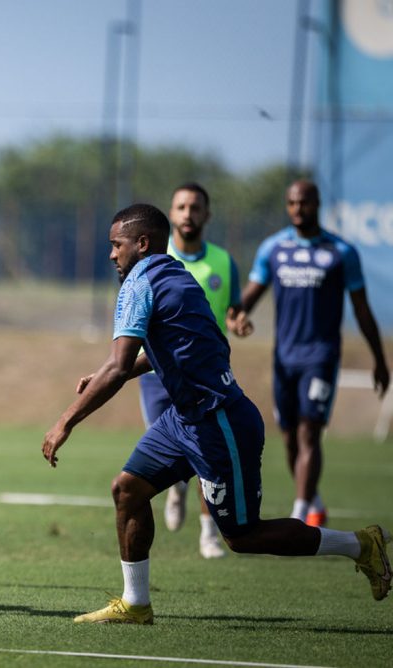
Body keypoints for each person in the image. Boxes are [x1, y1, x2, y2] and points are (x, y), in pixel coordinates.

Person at [42, 203, 391, 625]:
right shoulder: (175, 276)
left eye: (116, 245)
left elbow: (119, 366)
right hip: (184, 420)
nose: (112, 254)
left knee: (242, 536)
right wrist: (105, 373)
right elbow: (162, 353)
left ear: (142, 243)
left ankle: (360, 545)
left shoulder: (141, 281)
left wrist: (65, 421)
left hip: (218, 420)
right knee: (128, 490)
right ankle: (135, 604)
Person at [238, 180, 389, 527]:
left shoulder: (341, 252)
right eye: (291, 203)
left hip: (320, 357)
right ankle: (313, 499)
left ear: (317, 204)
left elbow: (362, 309)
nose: (297, 209)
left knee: (309, 432)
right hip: (284, 358)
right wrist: (237, 315)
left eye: (304, 202)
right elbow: (250, 296)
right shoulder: (273, 248)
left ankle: (300, 513)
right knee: (289, 436)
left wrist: (379, 360)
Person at [138, 183, 248, 559]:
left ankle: (208, 535)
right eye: (181, 207)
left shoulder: (222, 262)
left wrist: (237, 322)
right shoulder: (154, 255)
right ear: (172, 213)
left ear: (206, 215)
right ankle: (177, 487)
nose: (188, 214)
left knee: (207, 451)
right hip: (157, 375)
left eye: (195, 207)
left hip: (205, 377)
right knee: (165, 440)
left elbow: (233, 310)